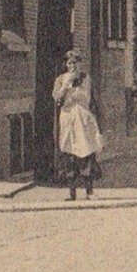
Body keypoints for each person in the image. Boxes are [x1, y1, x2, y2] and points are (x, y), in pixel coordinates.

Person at [53, 48, 104, 201]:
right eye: (69, 63)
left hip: (84, 119)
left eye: (75, 63)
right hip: (68, 119)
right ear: (66, 65)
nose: (72, 67)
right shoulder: (61, 79)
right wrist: (65, 86)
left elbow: (94, 101)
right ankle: (71, 191)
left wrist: (99, 126)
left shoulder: (87, 79)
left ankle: (89, 191)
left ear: (80, 64)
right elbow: (56, 98)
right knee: (69, 154)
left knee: (87, 153)